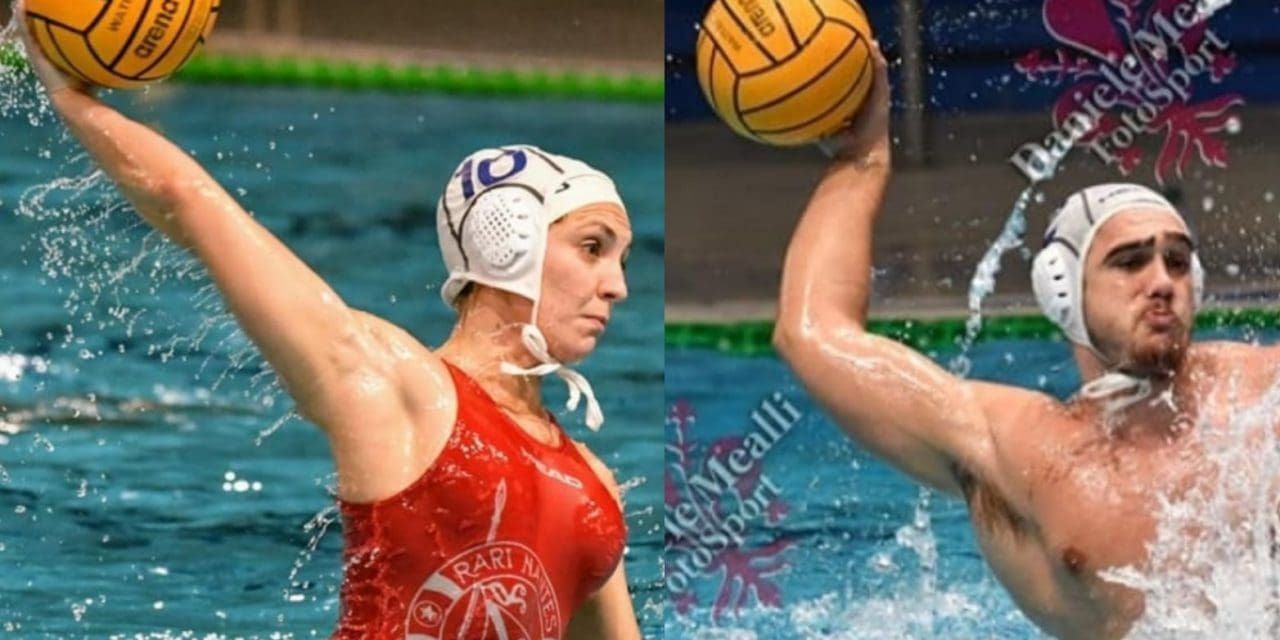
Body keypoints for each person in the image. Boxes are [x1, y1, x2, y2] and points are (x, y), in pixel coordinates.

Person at [13, 5, 642, 639]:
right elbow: (191, 202)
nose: (616, 286)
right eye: (592, 247)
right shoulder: (397, 388)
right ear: (511, 244)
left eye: (621, 260)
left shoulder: (594, 488)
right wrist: (71, 100)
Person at [773, 42, 1278, 640]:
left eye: (1177, 262)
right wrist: (862, 158)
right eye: (1129, 262)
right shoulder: (1018, 451)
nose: (1162, 282)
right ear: (1062, 290)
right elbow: (812, 334)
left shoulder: (1261, 398)